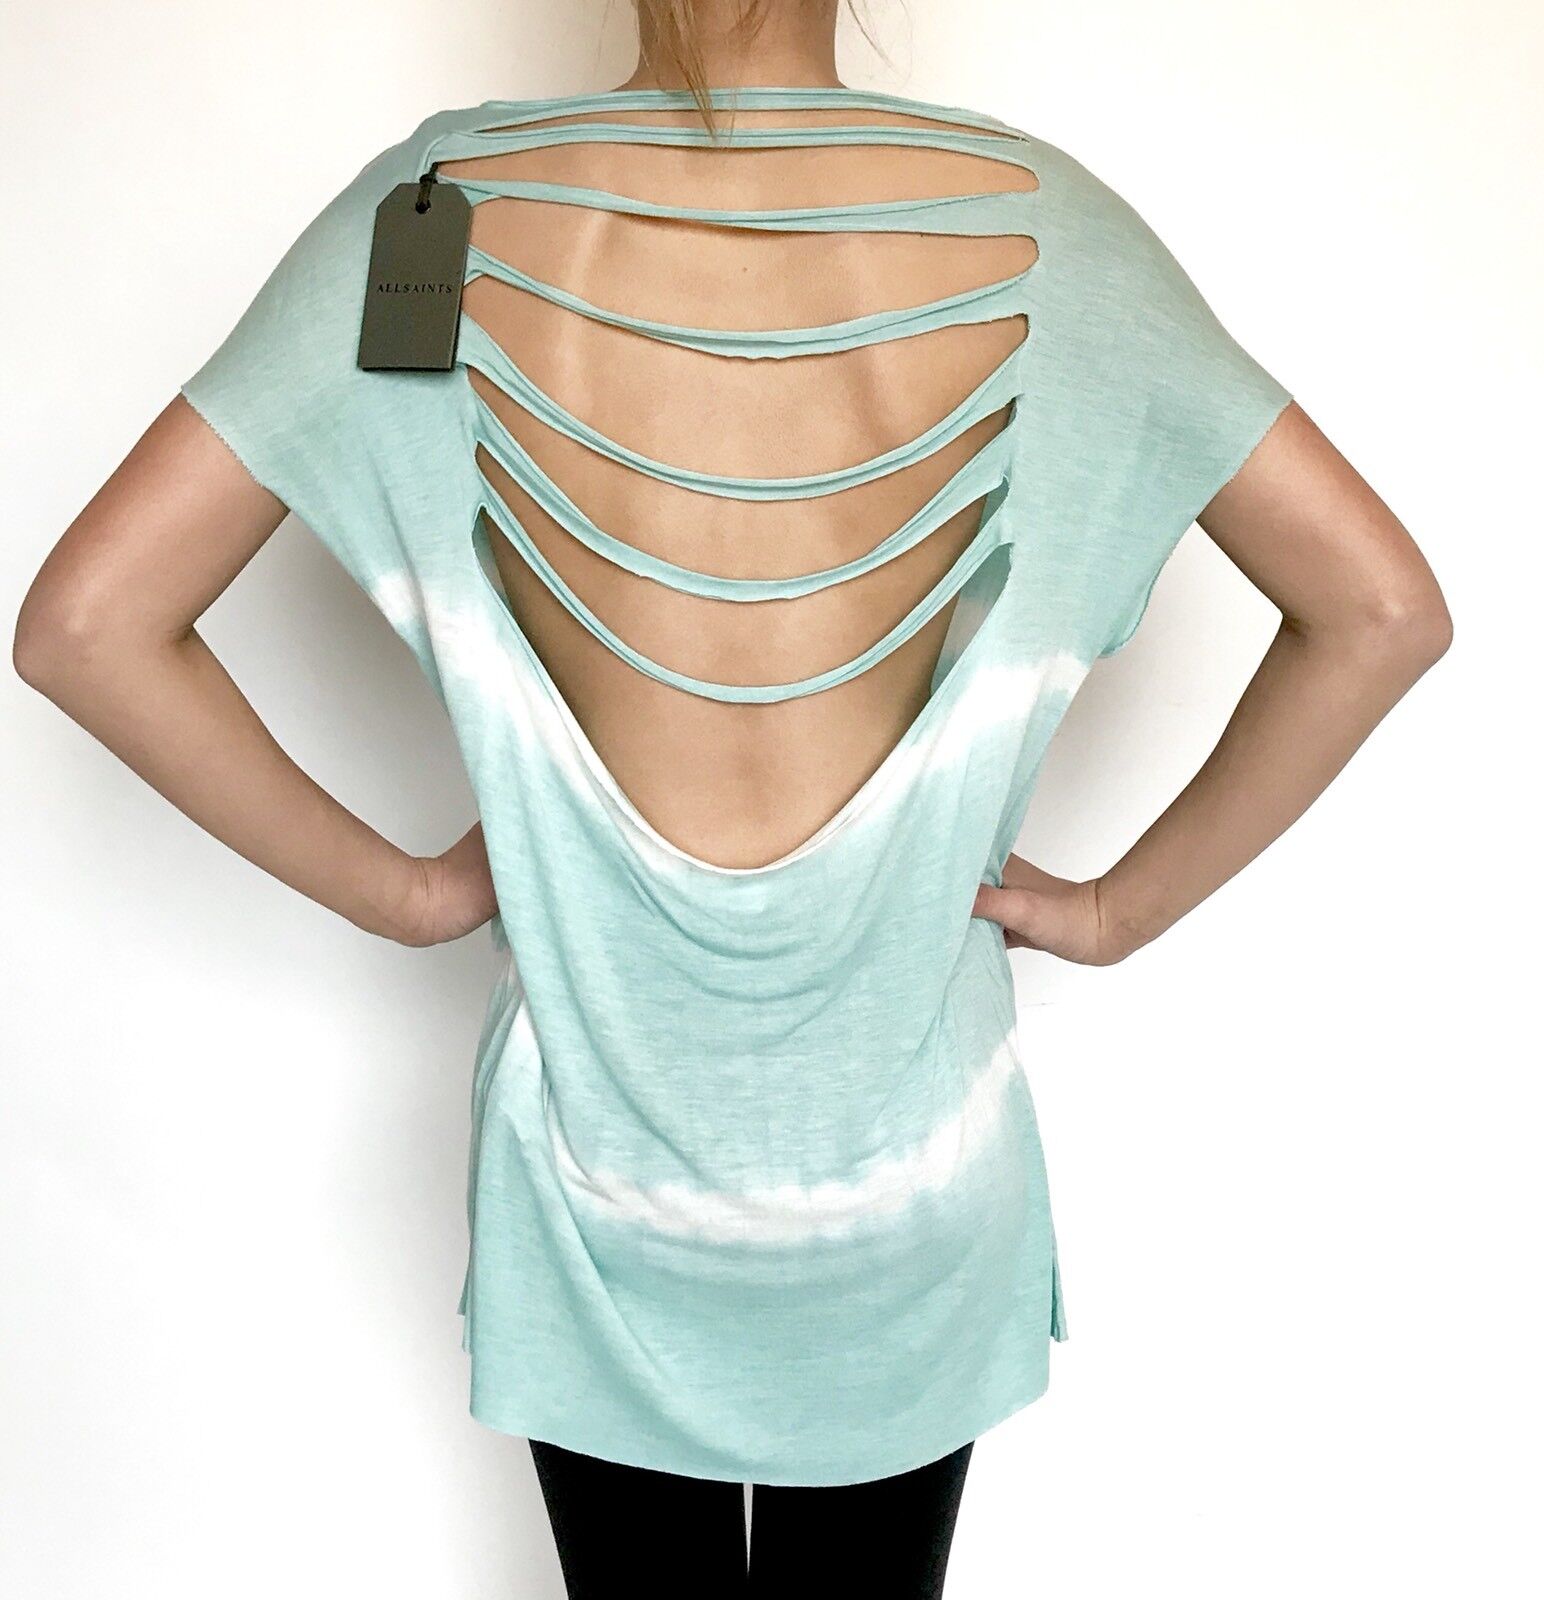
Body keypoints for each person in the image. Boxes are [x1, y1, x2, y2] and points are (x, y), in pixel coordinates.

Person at [12, 1, 1452, 1595]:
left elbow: (88, 627)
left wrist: (411, 895)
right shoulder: (1055, 238)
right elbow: (1381, 611)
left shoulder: (433, 215)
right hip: (915, 1187)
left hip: (595, 1185)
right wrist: (1116, 911)